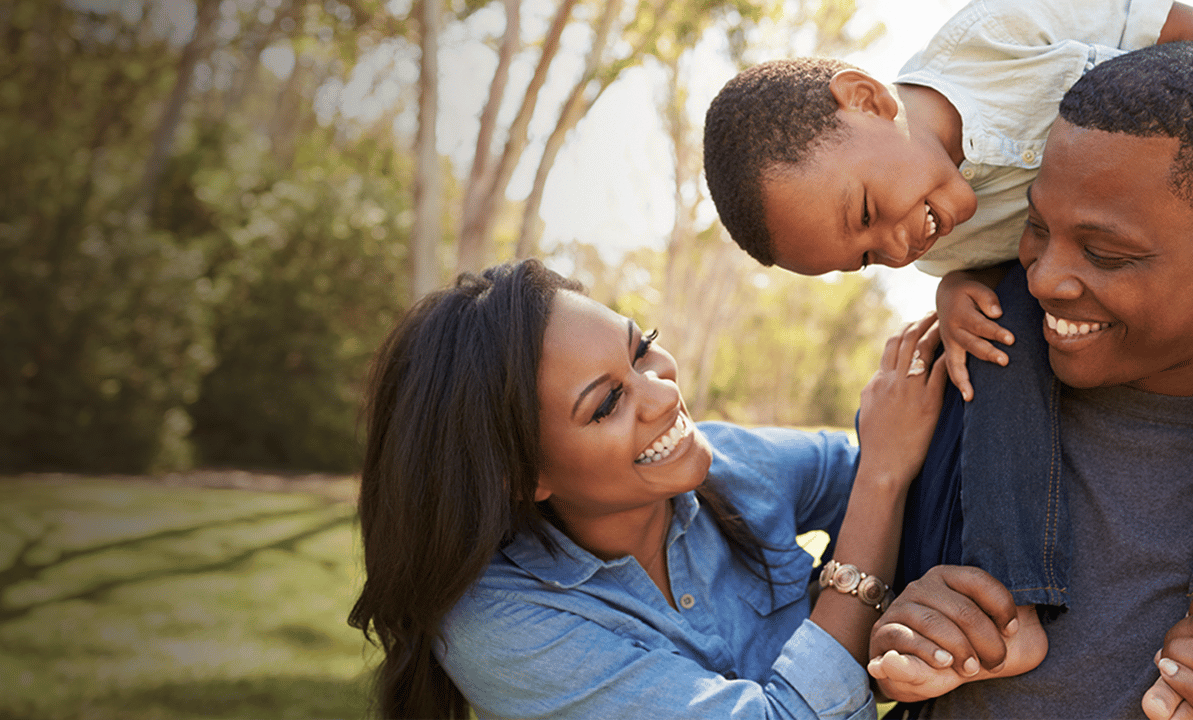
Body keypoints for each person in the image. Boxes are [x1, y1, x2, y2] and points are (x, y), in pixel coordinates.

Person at [346, 258, 948, 719]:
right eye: (608, 402)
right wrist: (880, 486)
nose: (663, 394)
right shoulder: (499, 626)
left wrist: (961, 303)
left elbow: (924, 471)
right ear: (521, 476)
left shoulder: (728, 465)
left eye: (641, 350)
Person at [860, 41, 1193, 719]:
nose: (1042, 279)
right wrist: (899, 640)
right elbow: (829, 642)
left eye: (1106, 253)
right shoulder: (956, 391)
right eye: (1036, 227)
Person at [703, 0, 1193, 402]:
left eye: (867, 213)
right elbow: (1022, 265)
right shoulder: (945, 249)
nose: (898, 252)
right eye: (868, 258)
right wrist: (956, 288)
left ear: (867, 100)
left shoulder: (1001, 33)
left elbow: (1173, 27)